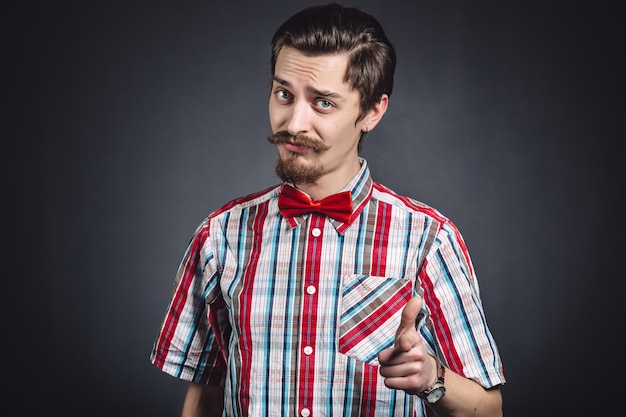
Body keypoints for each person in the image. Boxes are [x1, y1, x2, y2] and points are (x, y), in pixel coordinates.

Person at [150, 3, 506, 416]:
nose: (294, 122)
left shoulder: (428, 240)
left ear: (372, 111)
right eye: (284, 94)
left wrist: (432, 380)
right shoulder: (219, 234)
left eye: (322, 103)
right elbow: (206, 395)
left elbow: (489, 410)